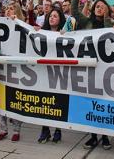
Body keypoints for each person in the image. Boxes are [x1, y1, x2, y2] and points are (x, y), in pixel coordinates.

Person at [72, 0, 113, 150]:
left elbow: (112, 38)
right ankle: (93, 136)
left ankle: (105, 136)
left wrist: (107, 19)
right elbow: (74, 10)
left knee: (104, 102)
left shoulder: (109, 24)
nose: (99, 7)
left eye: (103, 6)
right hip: (89, 67)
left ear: (107, 10)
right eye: (97, 5)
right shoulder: (86, 22)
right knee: (91, 102)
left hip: (107, 69)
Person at [36, 8, 66, 143]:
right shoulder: (41, 32)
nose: (52, 18)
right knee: (45, 101)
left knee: (59, 101)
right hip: (45, 71)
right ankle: (45, 129)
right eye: (50, 16)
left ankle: (58, 130)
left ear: (60, 19)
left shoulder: (66, 34)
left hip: (60, 73)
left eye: (55, 16)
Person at [0, 2, 24, 142]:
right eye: (7, 9)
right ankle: (3, 129)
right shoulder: (0, 24)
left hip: (16, 68)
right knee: (1, 99)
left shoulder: (22, 26)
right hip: (2, 66)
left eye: (12, 8)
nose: (8, 11)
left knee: (15, 99)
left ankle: (16, 130)